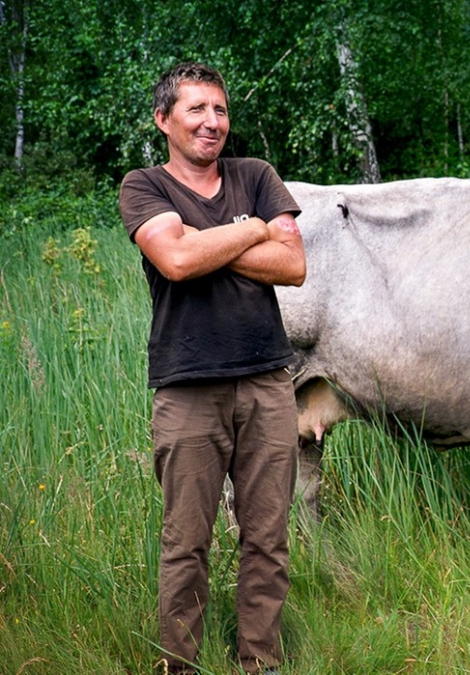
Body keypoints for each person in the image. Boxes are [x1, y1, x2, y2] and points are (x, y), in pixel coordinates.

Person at [119, 62, 306, 674]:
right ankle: (178, 665)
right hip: (188, 385)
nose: (211, 121)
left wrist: (207, 241)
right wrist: (250, 229)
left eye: (220, 109)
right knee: (186, 543)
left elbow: (293, 266)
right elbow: (174, 261)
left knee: (268, 538)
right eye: (196, 109)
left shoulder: (256, 175)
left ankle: (261, 661)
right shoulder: (143, 185)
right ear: (163, 119)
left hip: (267, 381)